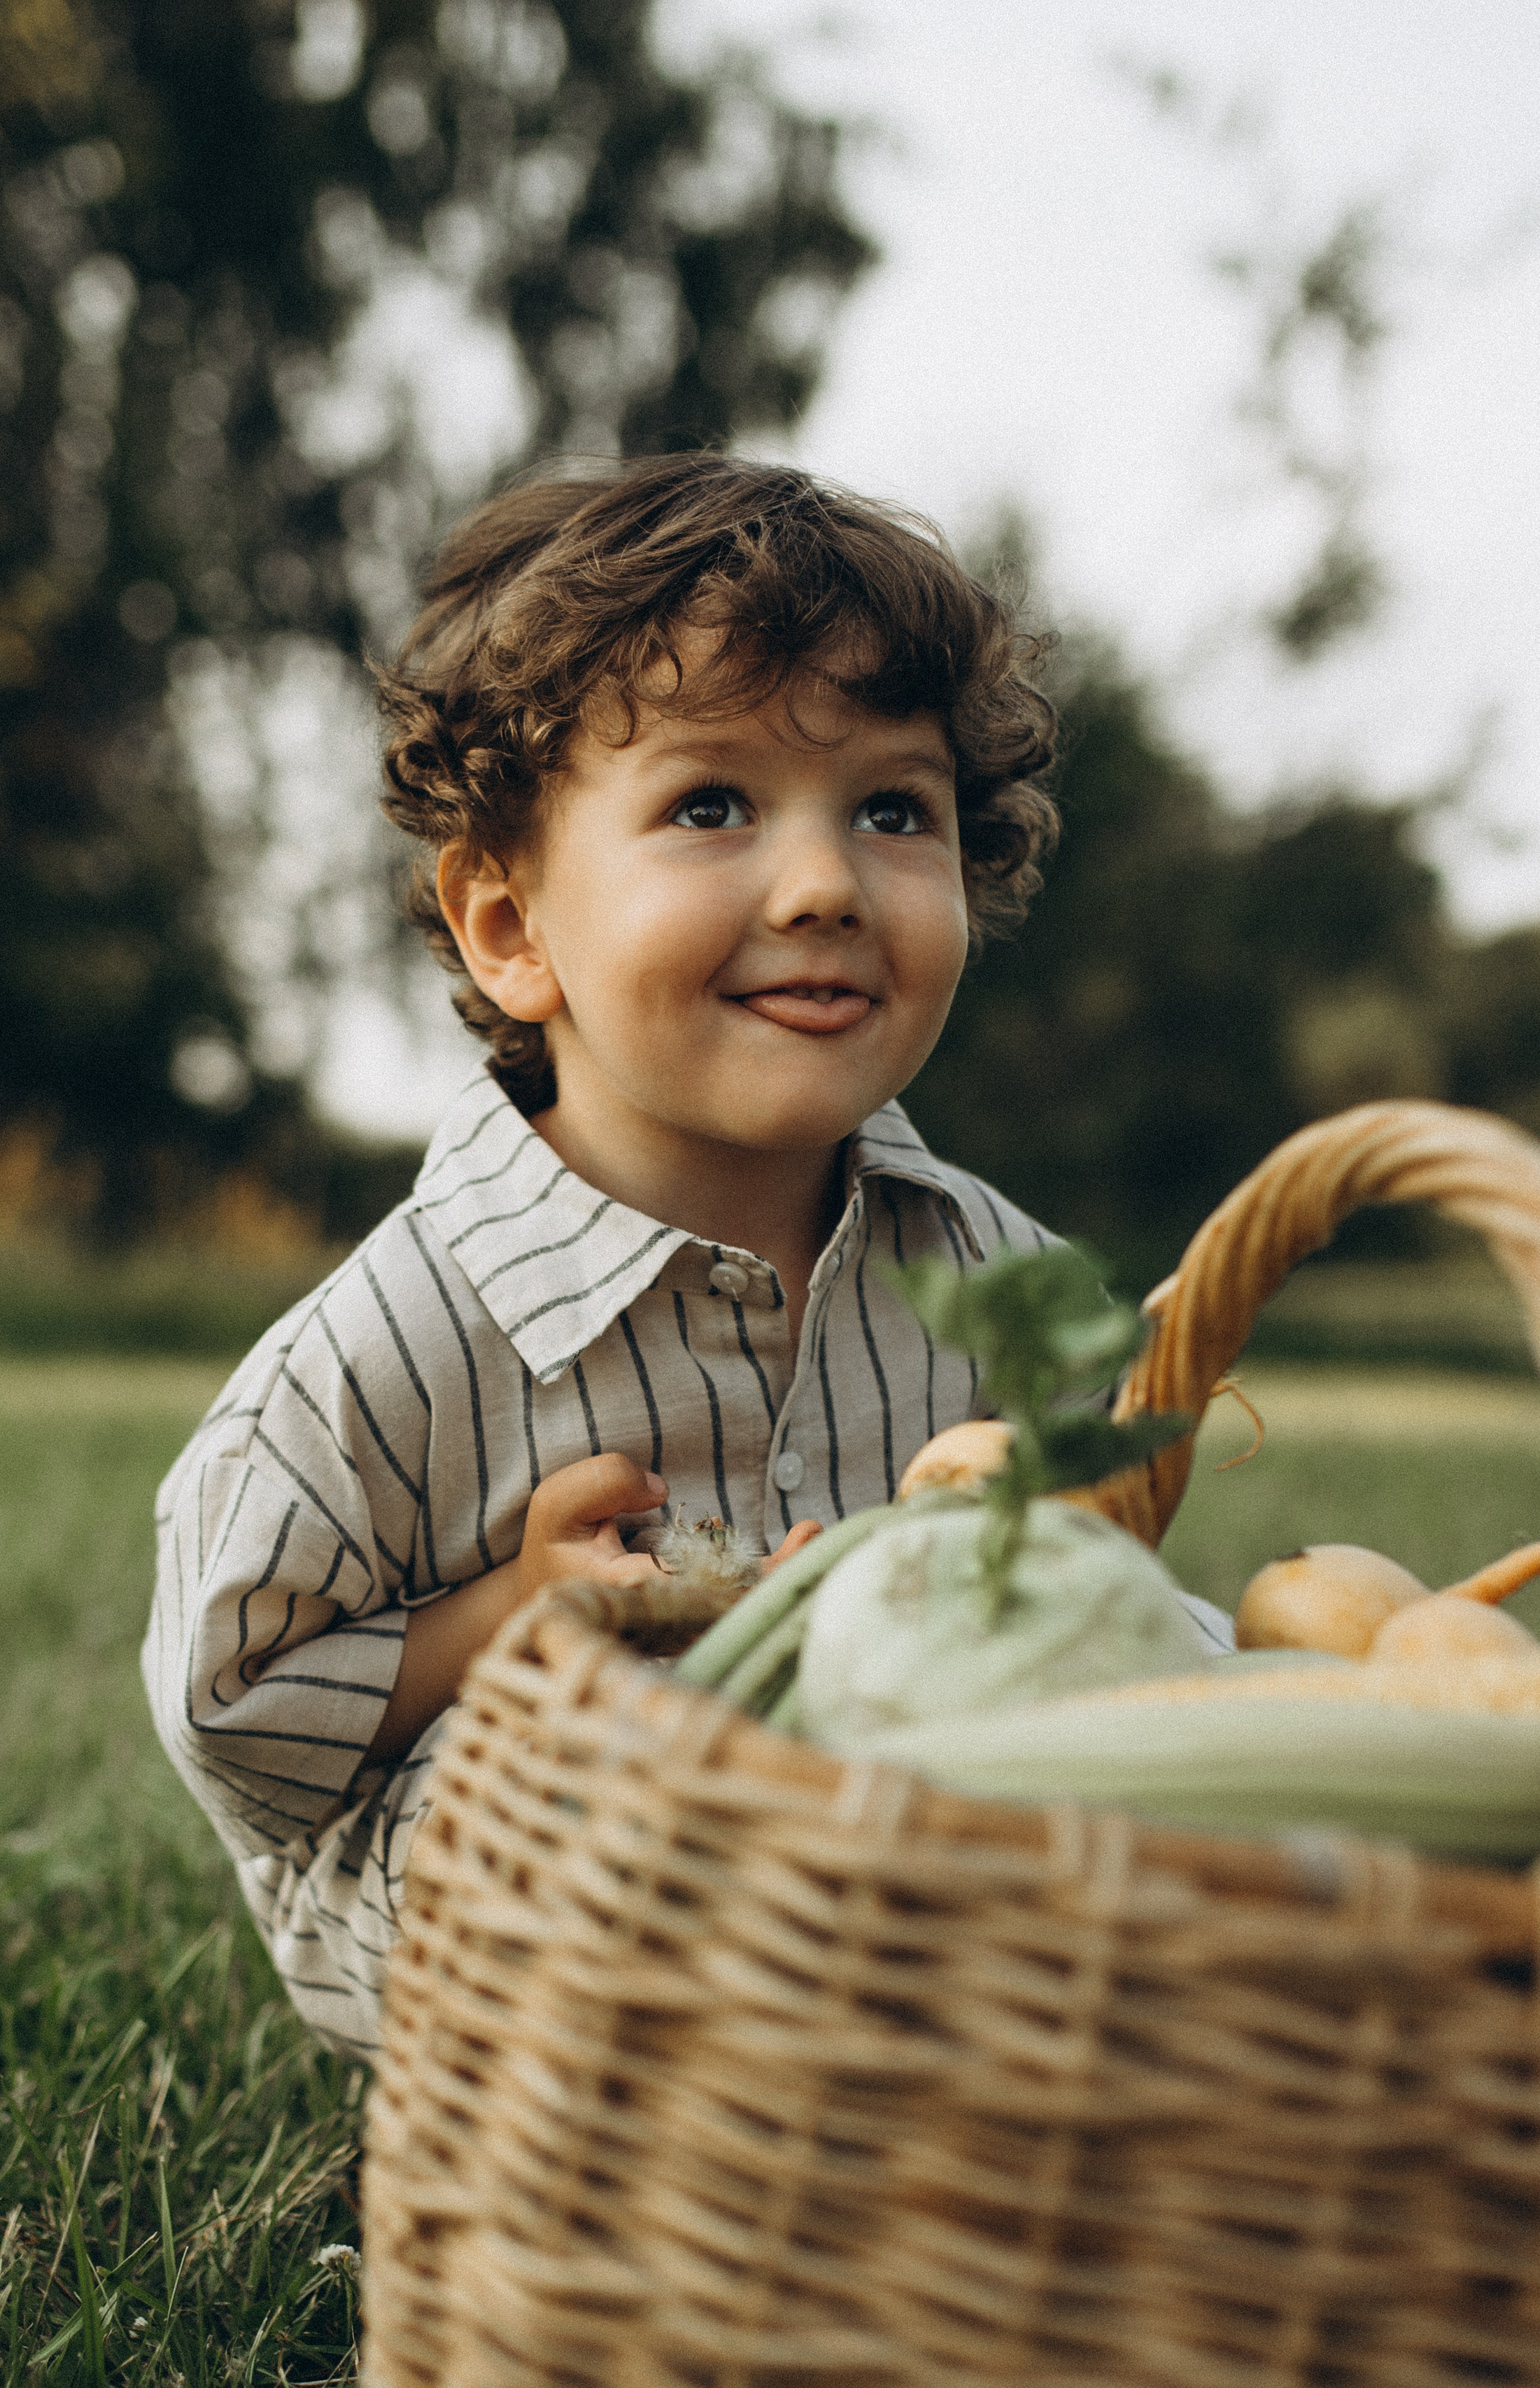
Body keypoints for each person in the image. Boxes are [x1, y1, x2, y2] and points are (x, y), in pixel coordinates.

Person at [143, 455, 1230, 2056]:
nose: (822, 885)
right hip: (494, 1901)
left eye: (891, 810)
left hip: (890, 1854)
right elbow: (237, 1720)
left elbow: (1110, 1603)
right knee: (615, 1772)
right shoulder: (396, 1342)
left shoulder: (999, 1279)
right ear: (510, 931)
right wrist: (508, 1612)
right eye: (709, 806)